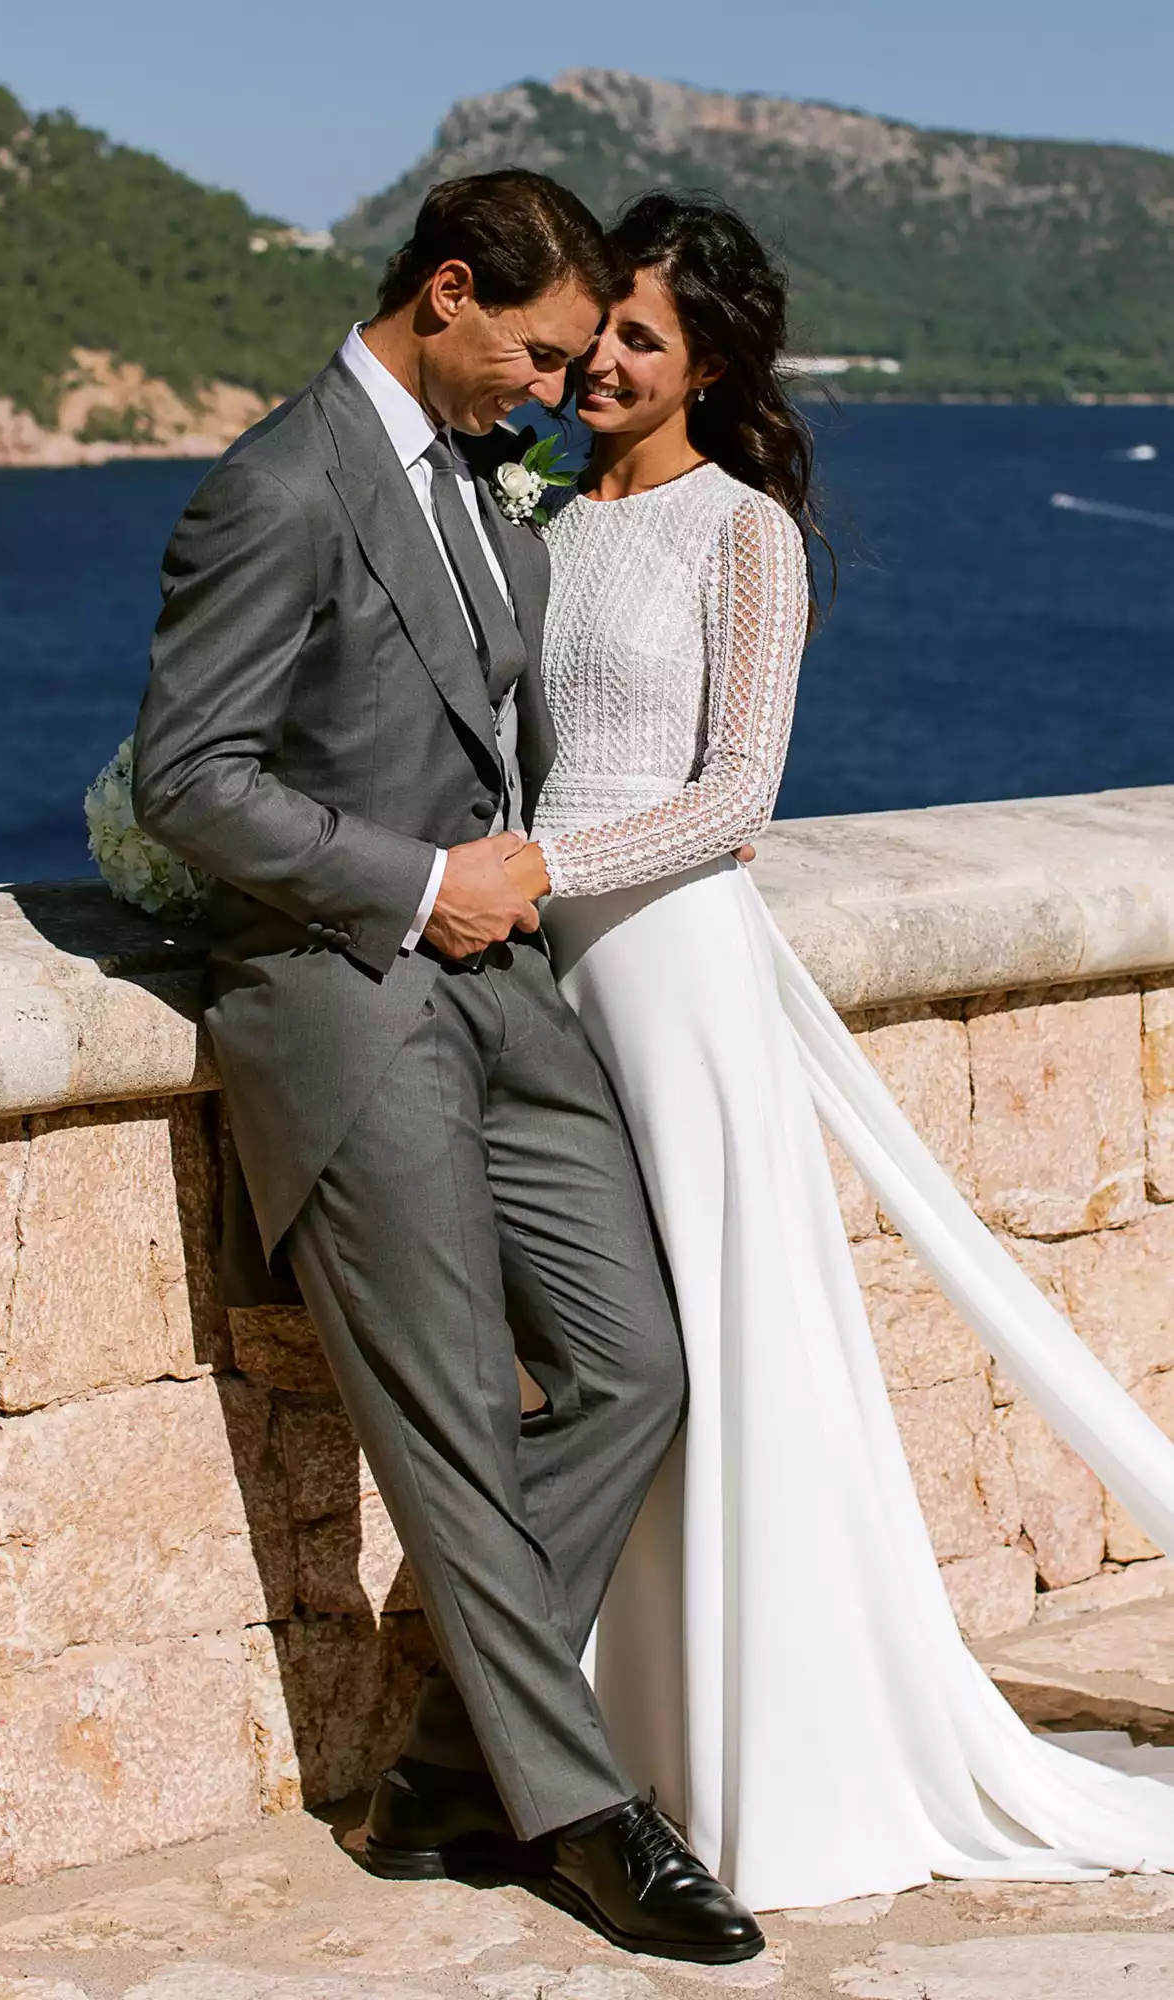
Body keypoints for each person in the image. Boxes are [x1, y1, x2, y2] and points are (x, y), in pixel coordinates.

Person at [501, 189, 1174, 1911]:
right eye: (600, 329)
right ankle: (624, 1738)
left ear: (706, 367)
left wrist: (545, 866)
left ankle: (775, 1756)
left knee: (722, 1357)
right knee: (614, 1349)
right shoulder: (546, 521)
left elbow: (738, 797)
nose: (601, 360)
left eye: (642, 338)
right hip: (547, 978)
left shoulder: (743, 535)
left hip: (675, 980)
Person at [131, 170, 765, 1964]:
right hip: (346, 1003)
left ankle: (438, 1769)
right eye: (544, 353)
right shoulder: (275, 483)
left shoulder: (493, 491)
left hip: (511, 1003)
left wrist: (497, 889)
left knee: (639, 1367)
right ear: (452, 293)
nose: (559, 391)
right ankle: (580, 1811)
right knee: (455, 1434)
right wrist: (416, 884)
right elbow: (191, 775)